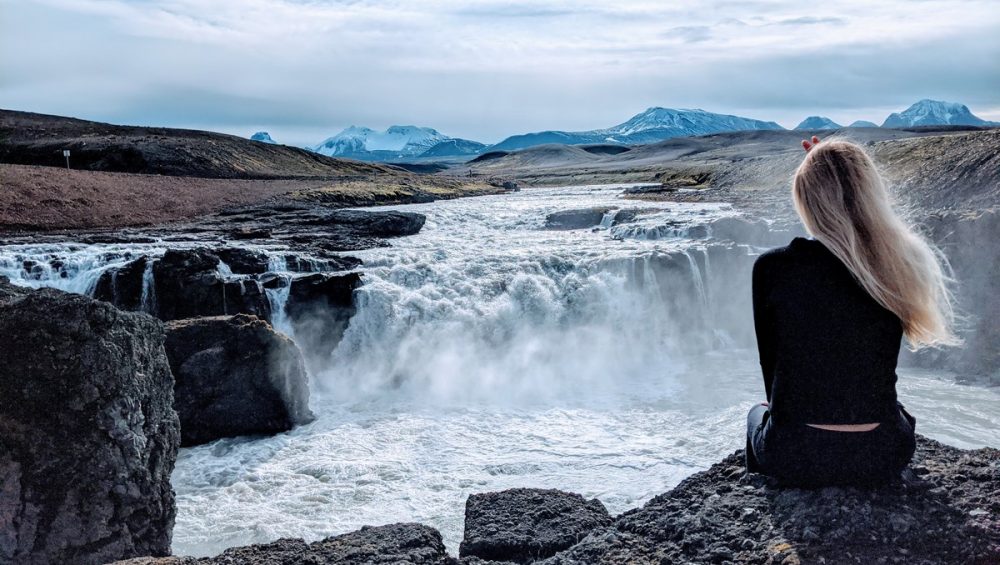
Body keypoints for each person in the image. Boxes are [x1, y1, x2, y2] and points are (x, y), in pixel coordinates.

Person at [745, 136, 960, 487]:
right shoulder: (897, 265)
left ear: (807, 202)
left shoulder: (772, 269)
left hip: (795, 453)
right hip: (884, 451)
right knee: (899, 412)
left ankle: (769, 488)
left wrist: (816, 168)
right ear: (871, 196)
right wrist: (833, 165)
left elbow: (773, 379)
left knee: (757, 414)